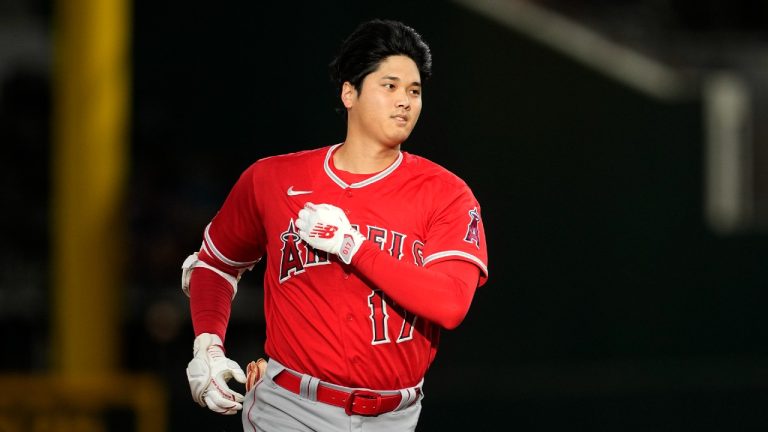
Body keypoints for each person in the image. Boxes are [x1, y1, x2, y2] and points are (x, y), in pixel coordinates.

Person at [181, 19, 489, 431]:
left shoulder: (446, 193)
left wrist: (353, 246)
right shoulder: (272, 179)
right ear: (349, 92)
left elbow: (450, 304)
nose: (405, 101)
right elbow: (215, 264)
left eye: (414, 91)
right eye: (390, 86)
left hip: (394, 416)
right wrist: (208, 346)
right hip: (287, 407)